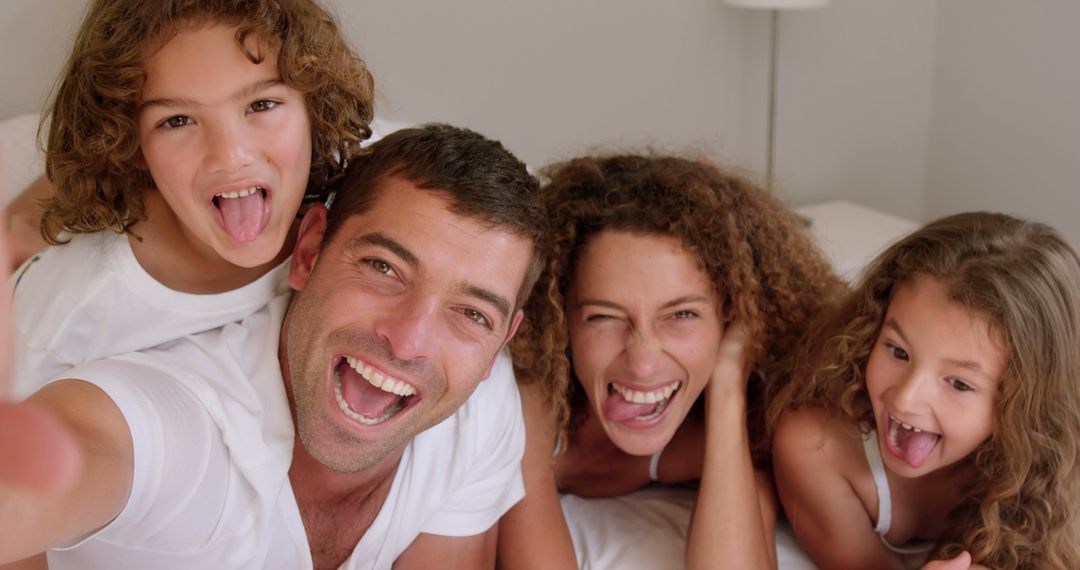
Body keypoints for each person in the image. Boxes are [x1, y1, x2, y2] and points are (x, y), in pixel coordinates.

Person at [0, 123, 546, 569]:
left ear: (502, 337)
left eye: (472, 313)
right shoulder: (181, 423)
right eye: (384, 268)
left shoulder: (479, 405)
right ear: (308, 252)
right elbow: (82, 456)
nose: (409, 341)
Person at [497, 154, 845, 569]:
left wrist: (729, 381)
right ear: (559, 316)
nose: (642, 362)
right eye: (603, 317)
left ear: (731, 315)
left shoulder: (728, 423)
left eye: (682, 315)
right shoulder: (523, 400)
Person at [10, 0, 374, 396]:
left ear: (314, 108)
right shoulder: (71, 309)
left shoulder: (358, 203)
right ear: (132, 143)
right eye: (177, 121)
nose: (231, 155)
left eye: (262, 104)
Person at [768, 212, 1080, 569]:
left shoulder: (1052, 464)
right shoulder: (816, 446)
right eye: (898, 351)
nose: (905, 398)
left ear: (1025, 401)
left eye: (960, 383)